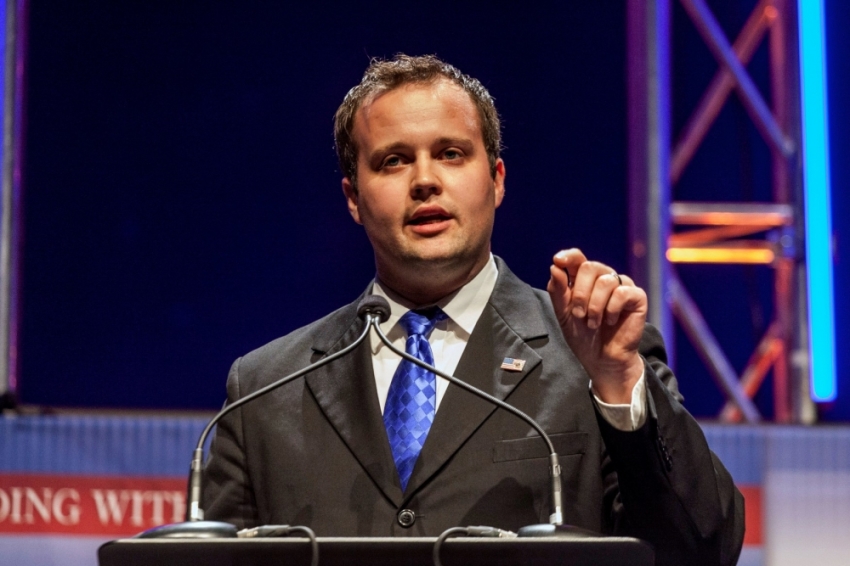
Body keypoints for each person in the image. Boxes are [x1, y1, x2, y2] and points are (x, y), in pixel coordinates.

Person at [203, 54, 744, 565]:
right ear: (353, 196)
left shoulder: (591, 356)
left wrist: (618, 381)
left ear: (497, 180)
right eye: (393, 161)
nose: (424, 180)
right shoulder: (264, 389)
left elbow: (703, 549)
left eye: (451, 154)